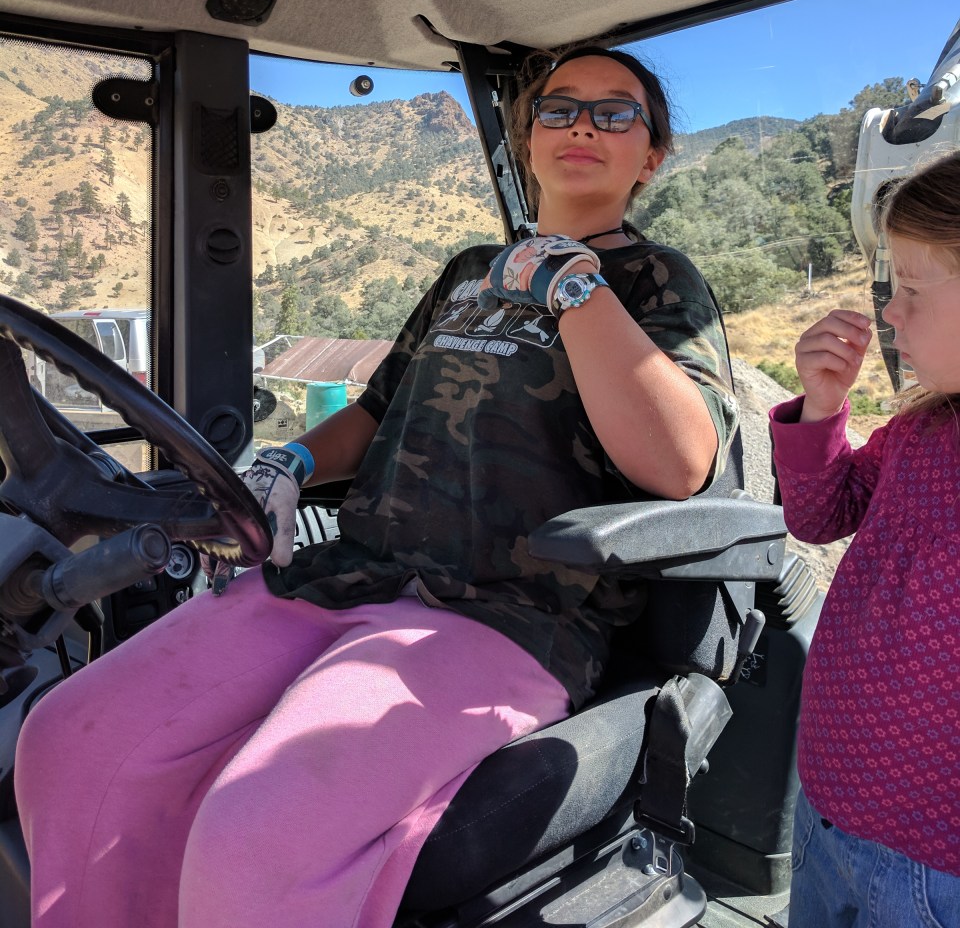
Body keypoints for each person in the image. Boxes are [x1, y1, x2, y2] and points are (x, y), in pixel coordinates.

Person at [15, 46, 738, 928]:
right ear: (526, 138)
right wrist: (289, 464)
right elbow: (378, 408)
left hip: (506, 610)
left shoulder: (654, 282)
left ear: (651, 156)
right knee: (70, 742)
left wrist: (574, 287)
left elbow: (679, 463)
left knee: (260, 831)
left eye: (615, 112)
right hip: (349, 575)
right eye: (559, 108)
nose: (582, 124)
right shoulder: (471, 272)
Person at [770, 151, 960, 927]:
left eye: (911, 289)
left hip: (936, 864)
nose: (891, 313)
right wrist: (821, 407)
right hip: (830, 806)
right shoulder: (919, 431)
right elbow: (820, 516)